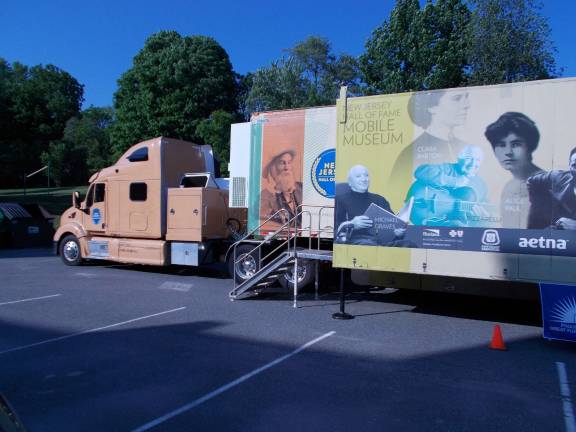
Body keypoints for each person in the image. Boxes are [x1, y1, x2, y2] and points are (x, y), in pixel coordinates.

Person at [390, 90, 471, 188]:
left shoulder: (467, 147)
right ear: (431, 107)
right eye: (457, 98)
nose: (467, 105)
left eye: (466, 97)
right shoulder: (409, 153)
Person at [405, 146, 492, 227]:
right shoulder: (448, 168)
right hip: (421, 206)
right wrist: (454, 181)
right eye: (469, 158)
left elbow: (484, 209)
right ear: (459, 158)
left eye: (478, 160)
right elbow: (420, 172)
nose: (473, 163)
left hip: (441, 224)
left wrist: (483, 218)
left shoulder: (481, 185)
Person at [485, 112, 544, 228]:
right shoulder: (509, 187)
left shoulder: (547, 184)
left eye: (516, 144)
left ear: (530, 147)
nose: (508, 152)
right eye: (501, 145)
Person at [335, 165, 412, 246]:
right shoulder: (340, 200)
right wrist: (352, 224)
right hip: (355, 241)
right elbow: (335, 229)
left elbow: (393, 226)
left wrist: (397, 232)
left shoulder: (380, 200)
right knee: (369, 244)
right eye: (358, 176)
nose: (364, 179)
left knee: (409, 244)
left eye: (366, 175)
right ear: (350, 182)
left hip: (381, 241)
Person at [527, 147, 576, 230]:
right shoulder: (558, 177)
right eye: (575, 165)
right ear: (570, 166)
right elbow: (531, 182)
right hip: (556, 238)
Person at [260, 149, 303, 225]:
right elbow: (264, 219)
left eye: (289, 163)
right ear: (273, 168)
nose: (287, 168)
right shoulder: (265, 196)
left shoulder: (301, 187)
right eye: (282, 163)